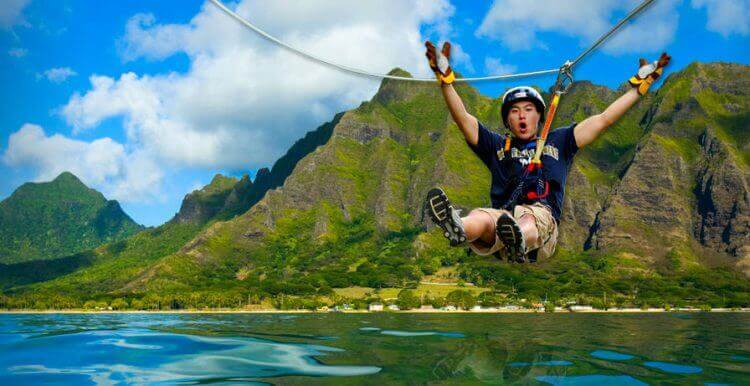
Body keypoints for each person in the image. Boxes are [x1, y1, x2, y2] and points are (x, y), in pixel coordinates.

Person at [423, 41, 670, 262]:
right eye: (514, 110)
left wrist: (639, 87)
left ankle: (519, 237)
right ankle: (459, 227)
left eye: (528, 109)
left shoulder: (561, 140)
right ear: (507, 120)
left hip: (541, 232)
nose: (521, 115)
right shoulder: (497, 146)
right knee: (483, 217)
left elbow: (604, 119)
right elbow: (463, 118)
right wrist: (445, 81)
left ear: (539, 116)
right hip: (502, 228)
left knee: (529, 215)